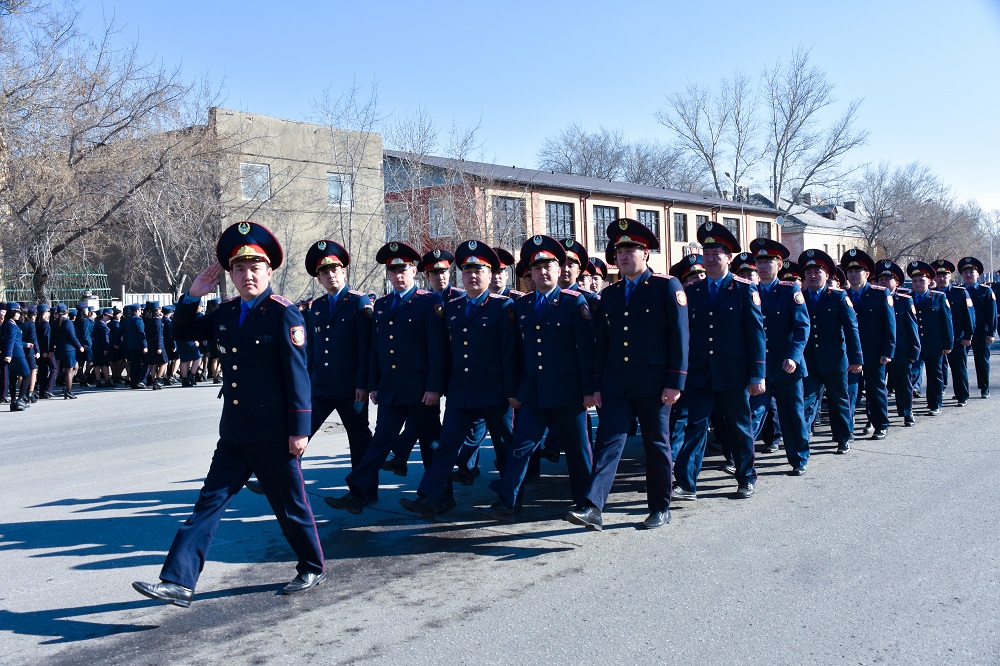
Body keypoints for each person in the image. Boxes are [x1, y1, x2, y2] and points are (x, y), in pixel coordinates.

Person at [133, 220, 325, 607]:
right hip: (235, 432)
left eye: (255, 268)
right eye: (239, 269)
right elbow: (182, 334)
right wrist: (191, 297)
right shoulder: (225, 312)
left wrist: (299, 429)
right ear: (231, 275)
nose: (247, 275)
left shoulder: (283, 314)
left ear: (269, 271)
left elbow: (298, 376)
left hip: (274, 432)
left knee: (289, 505)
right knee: (207, 504)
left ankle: (312, 566)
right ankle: (178, 582)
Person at [566, 218, 688, 531]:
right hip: (617, 384)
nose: (623, 255)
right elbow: (602, 346)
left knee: (656, 445)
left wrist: (675, 382)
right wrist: (596, 385)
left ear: (646, 253)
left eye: (631, 249)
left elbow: (680, 337)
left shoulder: (666, 286)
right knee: (609, 443)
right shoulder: (611, 294)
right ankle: (593, 506)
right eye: (619, 251)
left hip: (655, 385)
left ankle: (660, 507)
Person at [479, 235, 596, 522]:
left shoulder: (574, 302)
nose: (543, 273)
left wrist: (590, 391)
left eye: (549, 267)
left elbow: (588, 351)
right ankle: (509, 499)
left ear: (558, 270)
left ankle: (585, 503)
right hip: (533, 392)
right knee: (520, 448)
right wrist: (513, 390)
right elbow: (515, 354)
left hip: (569, 392)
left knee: (578, 451)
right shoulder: (521, 306)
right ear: (529, 273)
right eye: (537, 268)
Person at [399, 240, 518, 518]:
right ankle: (432, 497)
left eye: (479, 271)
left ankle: (510, 499)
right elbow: (443, 353)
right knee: (445, 446)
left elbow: (511, 354)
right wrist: (437, 387)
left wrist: (512, 391)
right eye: (467, 271)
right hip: (460, 392)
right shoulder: (452, 307)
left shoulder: (503, 307)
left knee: (505, 447)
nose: (473, 276)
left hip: (495, 392)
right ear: (460, 276)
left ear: (490, 275)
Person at [325, 241, 446, 514]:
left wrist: (434, 387)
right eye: (393, 271)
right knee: (380, 443)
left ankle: (438, 497)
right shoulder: (381, 304)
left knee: (430, 446)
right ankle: (358, 493)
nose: (398, 275)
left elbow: (437, 349)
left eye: (403, 269)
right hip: (391, 390)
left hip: (420, 391)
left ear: (414, 271)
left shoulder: (429, 302)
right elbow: (376, 348)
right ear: (388, 275)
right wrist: (374, 384)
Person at [672, 221, 765, 501]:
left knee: (739, 428)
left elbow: (756, 335)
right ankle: (687, 483)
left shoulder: (744, 290)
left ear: (729, 258)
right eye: (707, 254)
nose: (711, 259)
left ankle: (746, 477)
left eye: (717, 254)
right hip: (701, 374)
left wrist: (757, 375)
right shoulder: (694, 291)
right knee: (695, 428)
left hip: (733, 374)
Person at [302, 240, 374, 467]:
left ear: (343, 271)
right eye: (324, 272)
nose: (330, 275)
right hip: (321, 385)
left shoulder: (358, 302)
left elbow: (366, 347)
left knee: (359, 437)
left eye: (334, 269)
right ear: (318, 278)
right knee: (300, 430)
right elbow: (312, 350)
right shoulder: (318, 306)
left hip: (351, 387)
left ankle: (363, 491)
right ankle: (276, 479)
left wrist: (363, 384)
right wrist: (308, 381)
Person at [749, 238, 811, 474]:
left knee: (792, 413)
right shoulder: (749, 291)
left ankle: (798, 459)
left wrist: (794, 356)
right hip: (759, 365)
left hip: (786, 365)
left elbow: (802, 327)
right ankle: (742, 459)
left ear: (779, 265)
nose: (763, 266)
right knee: (752, 413)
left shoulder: (789, 290)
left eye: (769, 262)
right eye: (760, 262)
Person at [798, 249, 863, 453]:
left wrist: (856, 358)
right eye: (809, 272)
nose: (813, 276)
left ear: (827, 275)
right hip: (808, 361)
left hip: (835, 360)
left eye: (818, 271)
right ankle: (803, 441)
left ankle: (843, 437)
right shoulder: (798, 298)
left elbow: (852, 330)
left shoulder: (839, 297)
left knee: (838, 401)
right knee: (806, 401)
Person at [840, 249, 896, 440]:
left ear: (867, 274)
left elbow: (890, 324)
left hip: (874, 352)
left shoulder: (880, 294)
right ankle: (848, 426)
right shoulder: (841, 295)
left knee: (876, 389)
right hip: (849, 353)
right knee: (849, 391)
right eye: (850, 271)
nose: (854, 275)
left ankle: (880, 424)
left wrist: (888, 350)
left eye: (858, 271)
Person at [875, 260, 920, 426]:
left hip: (901, 350)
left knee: (903, 384)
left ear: (897, 282)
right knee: (877, 386)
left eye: (888, 279)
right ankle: (876, 417)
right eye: (881, 279)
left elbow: (912, 328)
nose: (884, 282)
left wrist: (914, 351)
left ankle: (907, 412)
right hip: (879, 350)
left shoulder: (904, 300)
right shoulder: (873, 299)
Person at [909, 261, 954, 415]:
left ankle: (935, 404)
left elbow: (947, 322)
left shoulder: (938, 297)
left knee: (934, 375)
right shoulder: (906, 297)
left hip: (934, 343)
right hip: (913, 344)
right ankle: (908, 406)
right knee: (910, 374)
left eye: (921, 280)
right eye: (914, 281)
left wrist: (948, 343)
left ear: (929, 281)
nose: (918, 284)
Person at [931, 259, 974, 407]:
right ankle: (936, 400)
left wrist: (968, 336)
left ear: (950, 276)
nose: (941, 278)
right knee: (936, 371)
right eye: (938, 275)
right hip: (936, 339)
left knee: (958, 368)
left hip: (957, 338)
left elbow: (969, 316)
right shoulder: (931, 295)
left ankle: (962, 395)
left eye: (945, 275)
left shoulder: (960, 293)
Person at [958, 256, 996, 398]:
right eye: (965, 273)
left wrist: (991, 332)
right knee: (960, 364)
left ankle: (984, 388)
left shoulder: (985, 291)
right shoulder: (958, 291)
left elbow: (991, 314)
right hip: (963, 333)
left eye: (971, 272)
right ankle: (962, 390)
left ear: (977, 274)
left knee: (982, 361)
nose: (968, 275)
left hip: (981, 332)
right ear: (961, 275)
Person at [2, 304, 31, 411]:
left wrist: (25, 344)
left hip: (13, 352)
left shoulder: (7, 324)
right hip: (17, 354)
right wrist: (9, 354)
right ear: (12, 313)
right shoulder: (12, 325)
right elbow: (10, 340)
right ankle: (19, 400)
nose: (19, 314)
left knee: (13, 378)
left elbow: (15, 340)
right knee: (27, 375)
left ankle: (14, 402)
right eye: (17, 312)